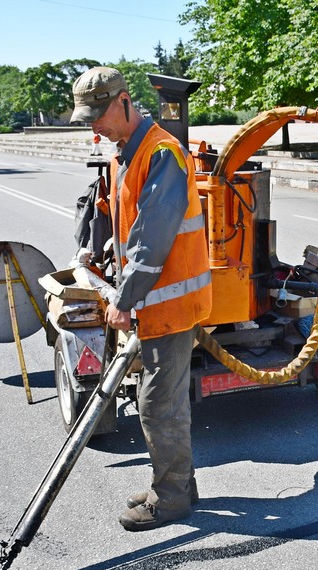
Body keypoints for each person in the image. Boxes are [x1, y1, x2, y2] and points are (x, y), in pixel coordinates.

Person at [69, 67, 212, 532]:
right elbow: (132, 224)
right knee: (166, 401)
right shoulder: (124, 154)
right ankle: (176, 484)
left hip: (169, 304)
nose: (94, 126)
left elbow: (153, 239)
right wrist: (109, 244)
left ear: (125, 102)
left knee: (157, 405)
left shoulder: (162, 152)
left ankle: (170, 499)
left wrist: (124, 299)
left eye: (98, 115)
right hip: (158, 303)